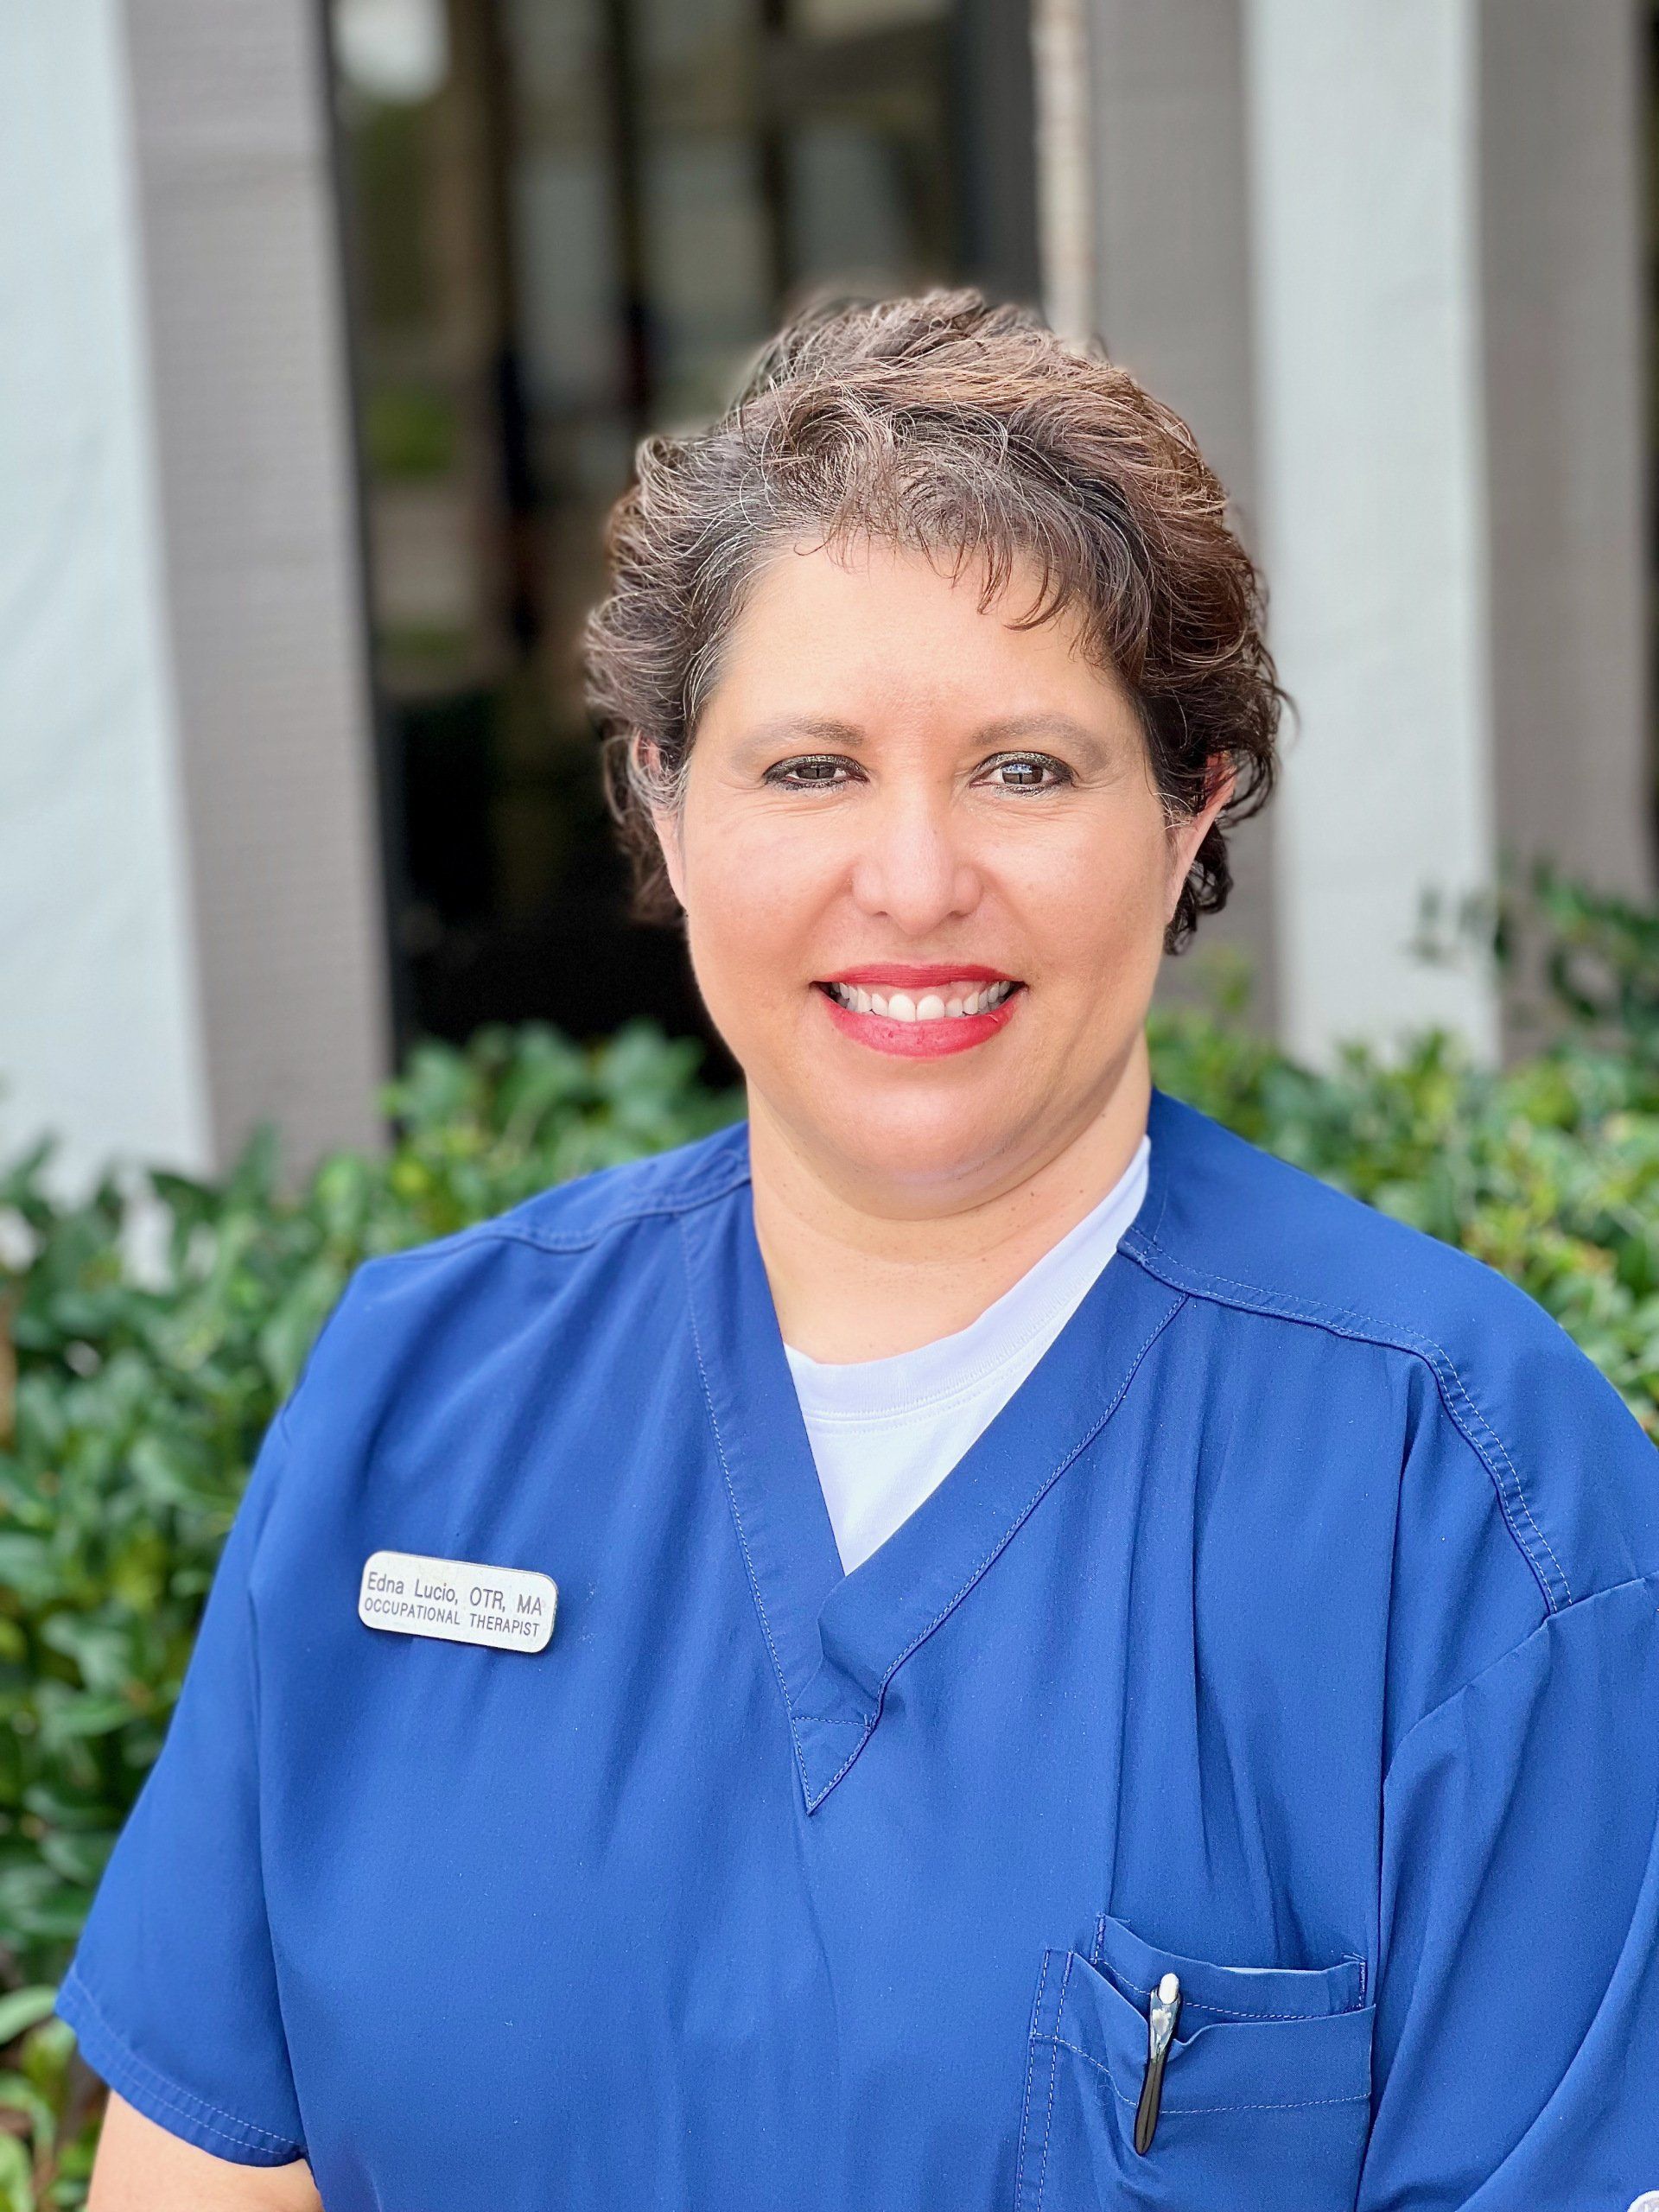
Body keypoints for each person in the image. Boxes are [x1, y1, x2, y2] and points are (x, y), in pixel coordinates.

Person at [61, 292, 1659, 2211]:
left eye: (1027, 768)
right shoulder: (417, 1399)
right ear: (663, 791)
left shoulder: (1468, 1493)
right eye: (811, 767)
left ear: (1191, 807)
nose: (912, 880)